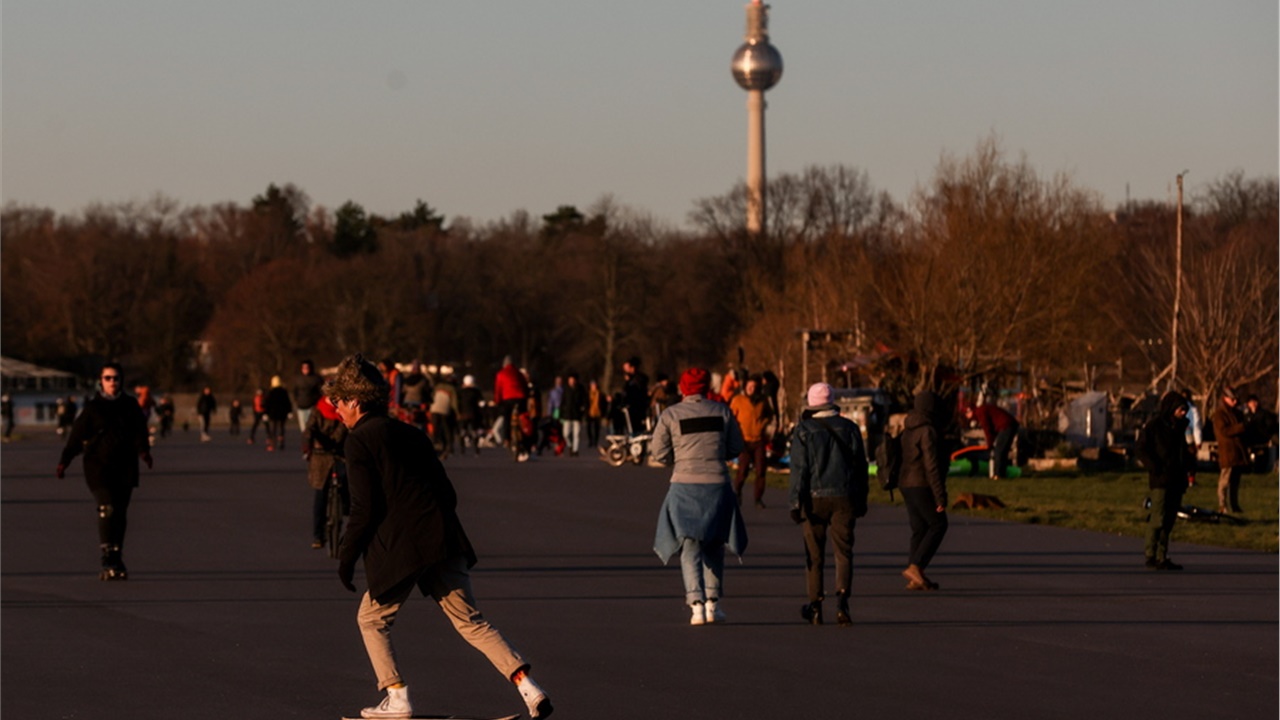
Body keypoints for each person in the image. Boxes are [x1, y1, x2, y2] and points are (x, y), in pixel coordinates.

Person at [327, 354, 554, 719]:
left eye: (337, 401)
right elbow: (448, 494)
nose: (334, 408)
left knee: (371, 620)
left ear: (355, 400)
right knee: (471, 621)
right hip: (443, 539)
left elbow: (364, 507)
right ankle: (530, 689)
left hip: (402, 548)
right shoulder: (412, 433)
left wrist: (346, 555)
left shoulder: (360, 441)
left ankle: (397, 696)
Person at [651, 367, 747, 626]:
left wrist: (678, 460)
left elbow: (658, 452)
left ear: (683, 387)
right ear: (706, 387)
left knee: (689, 544)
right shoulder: (722, 411)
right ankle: (714, 604)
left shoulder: (671, 414)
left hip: (684, 485)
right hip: (717, 484)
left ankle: (696, 605)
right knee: (715, 543)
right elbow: (737, 446)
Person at [55, 363, 153, 580]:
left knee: (120, 512)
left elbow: (140, 432)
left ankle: (117, 555)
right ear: (101, 381)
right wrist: (65, 461)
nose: (112, 382)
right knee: (106, 508)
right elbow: (76, 436)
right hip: (98, 466)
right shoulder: (93, 408)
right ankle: (107, 555)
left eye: (116, 378)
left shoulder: (130, 405)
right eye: (108, 378)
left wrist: (144, 452)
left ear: (121, 380)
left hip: (125, 465)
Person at [788, 382, 868, 626]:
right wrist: (861, 499)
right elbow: (861, 468)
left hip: (814, 499)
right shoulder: (850, 428)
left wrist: (795, 502)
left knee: (814, 554)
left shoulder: (803, 430)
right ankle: (843, 602)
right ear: (832, 400)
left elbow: (799, 471)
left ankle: (815, 605)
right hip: (844, 498)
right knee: (843, 552)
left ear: (811, 403)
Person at [1137, 390, 1195, 570]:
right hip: (1160, 479)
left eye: (1185, 410)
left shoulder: (1181, 428)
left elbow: (1184, 453)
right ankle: (1150, 554)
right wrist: (1154, 467)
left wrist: (1190, 470)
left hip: (1177, 480)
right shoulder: (1154, 427)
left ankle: (1162, 555)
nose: (1183, 413)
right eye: (1180, 409)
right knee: (1158, 519)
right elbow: (1141, 449)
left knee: (1169, 520)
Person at [899, 390, 949, 591]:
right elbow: (931, 465)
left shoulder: (908, 428)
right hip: (921, 483)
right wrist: (940, 496)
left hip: (906, 483)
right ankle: (916, 566)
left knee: (919, 528)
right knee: (939, 524)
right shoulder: (928, 430)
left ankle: (916, 575)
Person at [304, 394, 348, 549]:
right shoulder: (318, 410)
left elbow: (344, 429)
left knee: (346, 483)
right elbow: (309, 429)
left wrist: (335, 442)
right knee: (320, 494)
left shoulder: (343, 409)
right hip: (320, 456)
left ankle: (345, 512)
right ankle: (318, 535)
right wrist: (308, 445)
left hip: (338, 453)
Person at [729, 375, 773, 508]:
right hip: (744, 441)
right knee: (743, 470)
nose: (751, 389)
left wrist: (763, 424)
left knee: (760, 471)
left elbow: (769, 415)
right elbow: (731, 417)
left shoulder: (762, 401)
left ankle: (758, 498)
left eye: (754, 387)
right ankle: (737, 492)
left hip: (758, 440)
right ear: (745, 387)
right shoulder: (738, 400)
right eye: (749, 387)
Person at [1210, 387, 1248, 514]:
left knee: (1235, 482)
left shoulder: (1236, 413)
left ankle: (1235, 505)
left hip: (1237, 451)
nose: (1235, 402)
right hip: (1228, 451)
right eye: (1233, 399)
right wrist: (1241, 427)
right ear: (1225, 399)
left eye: (1236, 399)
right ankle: (1222, 505)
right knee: (1225, 481)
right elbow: (1224, 431)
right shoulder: (1220, 414)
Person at [964, 399, 1019, 479]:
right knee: (1002, 451)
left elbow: (987, 429)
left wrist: (989, 444)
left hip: (1006, 426)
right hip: (1008, 425)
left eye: (966, 413)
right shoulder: (981, 410)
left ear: (970, 411)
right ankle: (1001, 474)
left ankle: (998, 475)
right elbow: (992, 428)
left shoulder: (980, 412)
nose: (966, 416)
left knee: (999, 450)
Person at [492, 356, 528, 448]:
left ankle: (507, 439)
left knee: (507, 419)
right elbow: (525, 386)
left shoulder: (501, 374)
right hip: (520, 398)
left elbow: (498, 390)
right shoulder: (519, 373)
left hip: (508, 399)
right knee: (522, 416)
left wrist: (497, 401)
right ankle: (524, 436)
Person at [429, 374, 458, 458]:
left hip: (434, 409)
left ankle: (433, 445)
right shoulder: (452, 389)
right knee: (446, 429)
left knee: (435, 429)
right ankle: (449, 447)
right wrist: (457, 412)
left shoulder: (438, 386)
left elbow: (432, 396)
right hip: (445, 410)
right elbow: (454, 402)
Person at [559, 373, 587, 457]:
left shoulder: (581, 389)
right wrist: (561, 414)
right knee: (565, 434)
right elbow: (562, 402)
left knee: (576, 434)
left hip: (577, 415)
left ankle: (575, 450)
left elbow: (585, 401)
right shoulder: (565, 389)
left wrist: (583, 411)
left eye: (573, 380)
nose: (571, 381)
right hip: (567, 415)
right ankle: (570, 445)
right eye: (570, 380)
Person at [455, 375, 484, 456]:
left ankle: (462, 450)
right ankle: (476, 450)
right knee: (475, 431)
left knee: (463, 432)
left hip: (463, 414)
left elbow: (457, 403)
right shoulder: (476, 391)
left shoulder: (460, 392)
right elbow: (481, 402)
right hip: (473, 414)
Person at [293, 359, 325, 433]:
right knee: (303, 429)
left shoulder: (316, 379)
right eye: (303, 368)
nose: (305, 370)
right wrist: (297, 401)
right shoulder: (298, 379)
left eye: (307, 367)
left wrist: (316, 401)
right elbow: (295, 391)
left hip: (312, 406)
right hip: (301, 407)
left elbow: (321, 391)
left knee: (312, 427)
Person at [621, 357, 649, 434]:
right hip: (633, 408)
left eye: (627, 368)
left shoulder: (637, 380)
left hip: (636, 408)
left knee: (636, 428)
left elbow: (635, 393)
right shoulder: (632, 379)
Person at [265, 376, 293, 452]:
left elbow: (267, 403)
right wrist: (290, 411)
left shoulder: (271, 392)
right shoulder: (284, 391)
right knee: (281, 428)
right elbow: (287, 402)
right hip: (282, 413)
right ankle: (281, 442)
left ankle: (273, 445)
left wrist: (265, 413)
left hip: (273, 413)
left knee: (273, 429)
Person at [585, 380, 605, 449]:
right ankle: (590, 440)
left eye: (594, 385)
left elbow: (603, 403)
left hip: (597, 413)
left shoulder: (600, 394)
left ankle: (595, 441)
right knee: (589, 428)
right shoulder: (587, 394)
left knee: (597, 428)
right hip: (589, 412)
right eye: (592, 385)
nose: (594, 387)